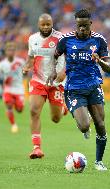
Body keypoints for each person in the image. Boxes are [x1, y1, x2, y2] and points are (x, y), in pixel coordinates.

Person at [47, 9, 110, 171]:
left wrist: (100, 61)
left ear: (90, 23)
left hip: (93, 87)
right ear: (75, 24)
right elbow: (54, 55)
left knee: (101, 125)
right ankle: (82, 120)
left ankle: (98, 162)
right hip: (74, 89)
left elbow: (109, 67)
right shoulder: (65, 40)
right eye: (79, 25)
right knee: (84, 126)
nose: (82, 29)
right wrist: (54, 70)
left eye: (85, 25)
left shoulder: (99, 40)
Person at [22, 14, 67, 159]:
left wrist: (63, 72)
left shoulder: (60, 38)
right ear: (38, 25)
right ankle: (37, 148)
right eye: (43, 24)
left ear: (52, 24)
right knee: (34, 111)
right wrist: (27, 66)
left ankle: (63, 108)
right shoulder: (32, 39)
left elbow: (69, 58)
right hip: (38, 81)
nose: (46, 27)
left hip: (56, 83)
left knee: (56, 118)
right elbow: (30, 57)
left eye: (49, 24)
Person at [0, 42, 26, 133]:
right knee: (8, 105)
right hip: (8, 89)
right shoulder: (2, 64)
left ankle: (16, 103)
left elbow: (26, 71)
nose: (10, 52)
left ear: (14, 51)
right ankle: (13, 125)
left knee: (20, 110)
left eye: (12, 50)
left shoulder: (20, 61)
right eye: (9, 50)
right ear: (6, 52)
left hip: (19, 89)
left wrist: (25, 72)